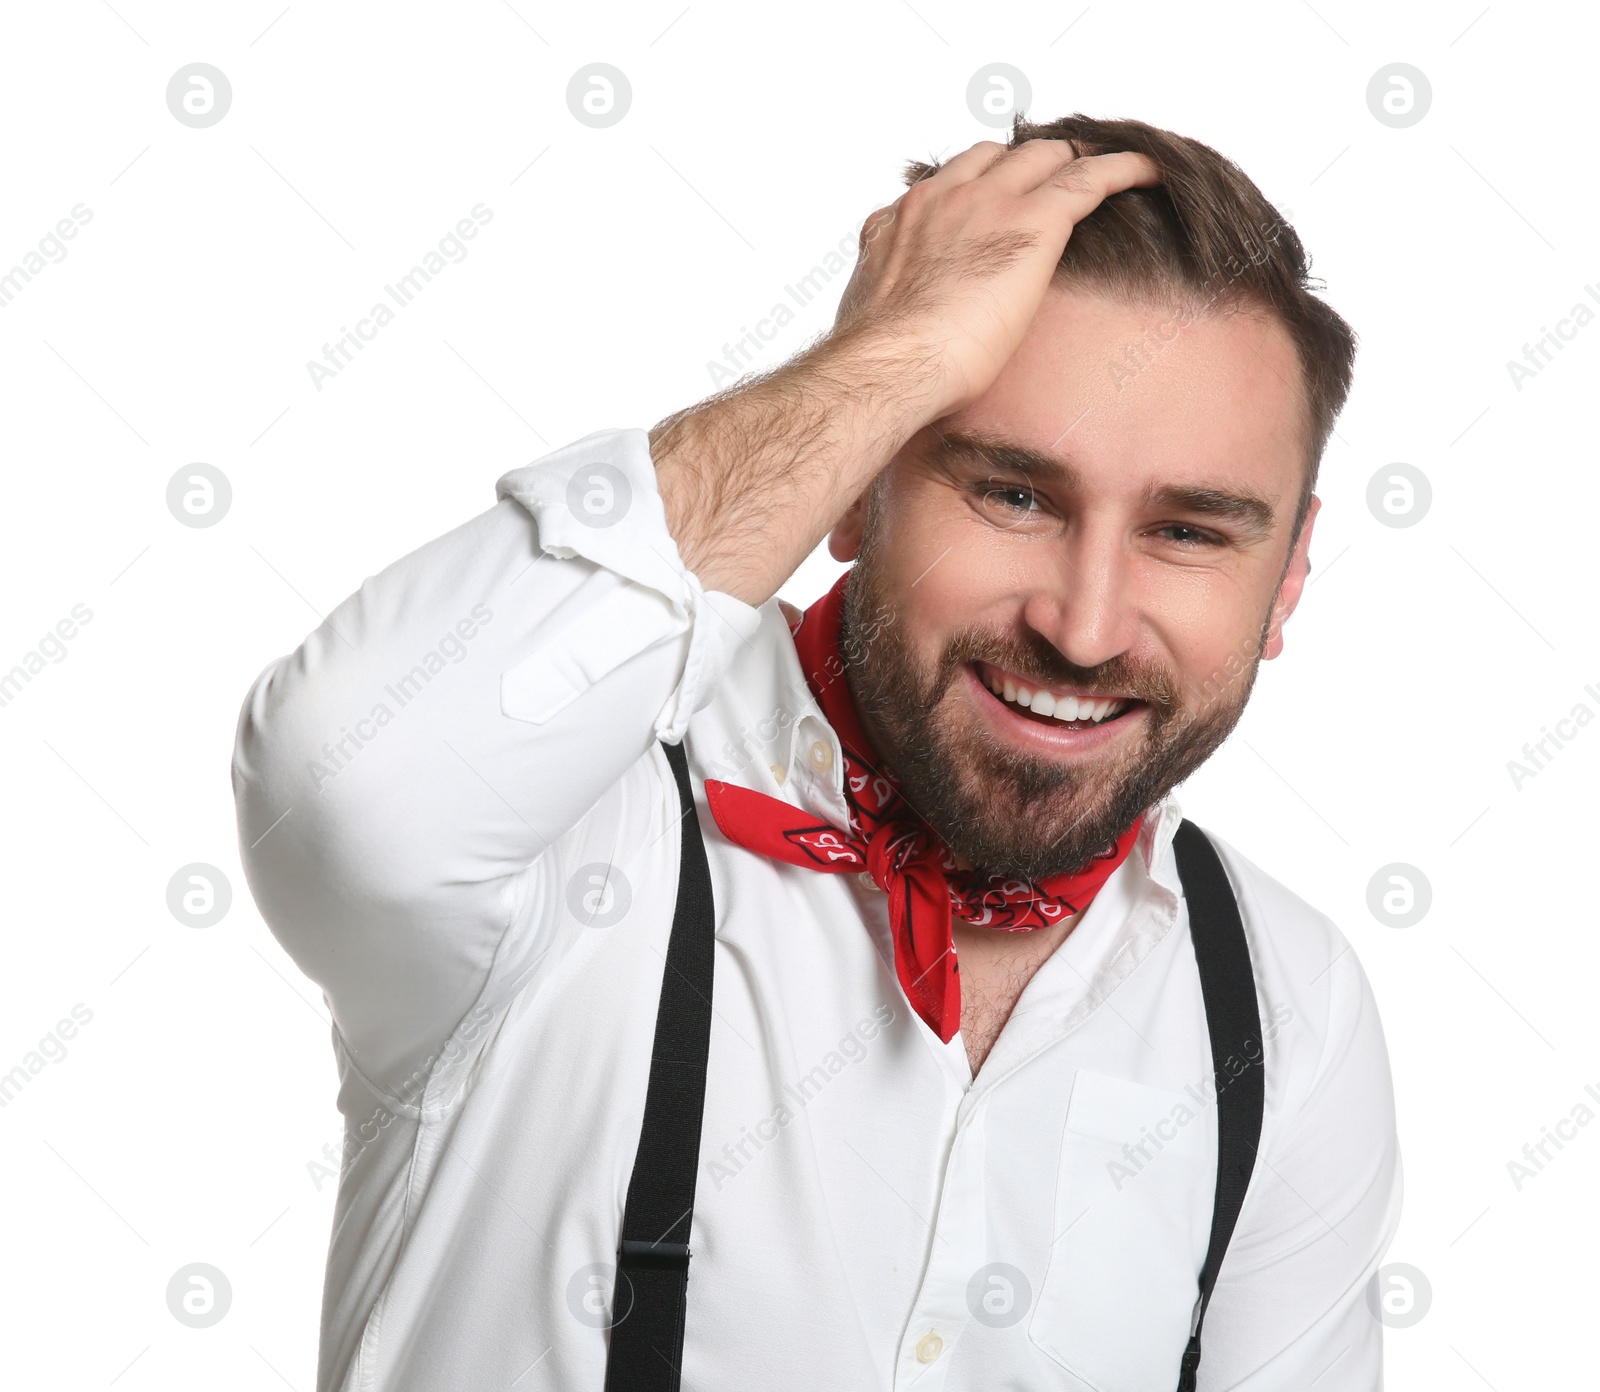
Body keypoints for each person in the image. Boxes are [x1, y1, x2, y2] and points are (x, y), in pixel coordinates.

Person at [232, 114, 1401, 1392]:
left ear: (1287, 578)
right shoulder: (575, 823)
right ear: (856, 482)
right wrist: (891, 355)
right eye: (1011, 494)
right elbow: (344, 795)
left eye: (1189, 531)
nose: (1084, 625)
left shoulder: (1284, 1000)